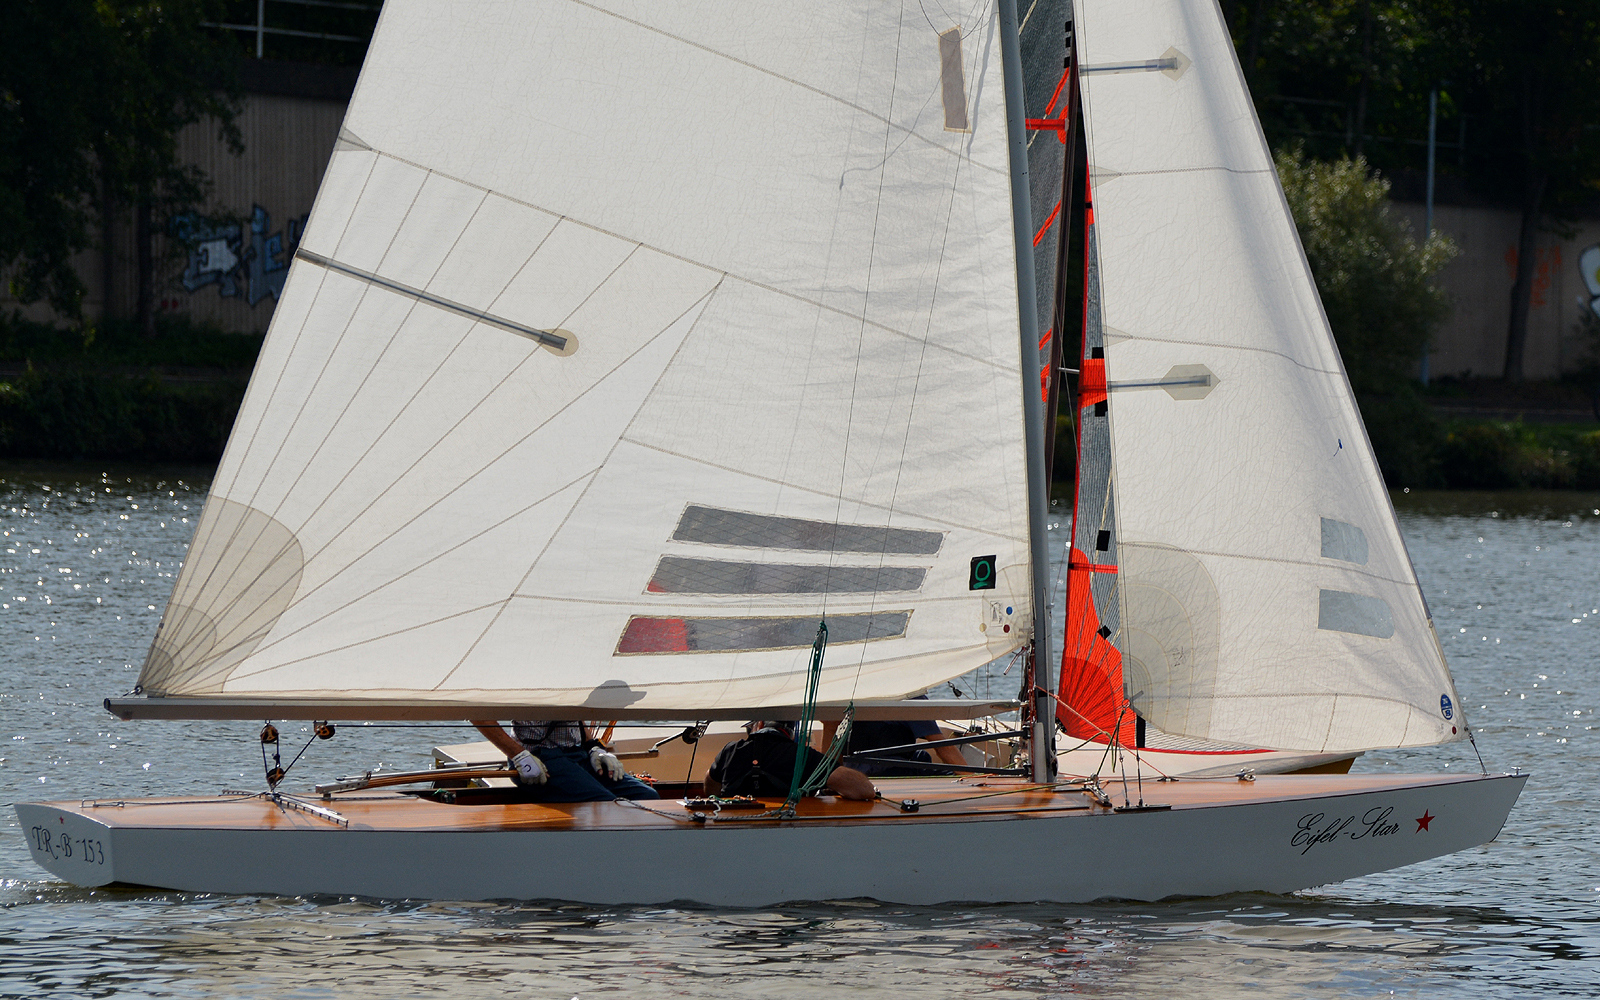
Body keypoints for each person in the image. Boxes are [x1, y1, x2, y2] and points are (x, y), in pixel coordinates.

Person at [472, 720, 659, 802]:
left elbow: (573, 710)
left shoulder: (570, 667)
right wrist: (519, 755)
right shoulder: (521, 666)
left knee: (648, 798)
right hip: (539, 758)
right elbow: (477, 713)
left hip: (579, 753)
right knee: (606, 805)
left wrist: (594, 747)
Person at [703, 721, 877, 801]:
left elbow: (710, 787)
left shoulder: (730, 750)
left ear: (760, 725)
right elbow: (864, 790)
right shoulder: (802, 756)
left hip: (733, 829)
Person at [833, 718, 968, 777]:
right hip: (891, 770)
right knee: (949, 776)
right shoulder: (910, 699)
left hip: (853, 769)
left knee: (922, 756)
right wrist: (972, 778)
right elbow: (942, 748)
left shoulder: (851, 696)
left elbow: (833, 738)